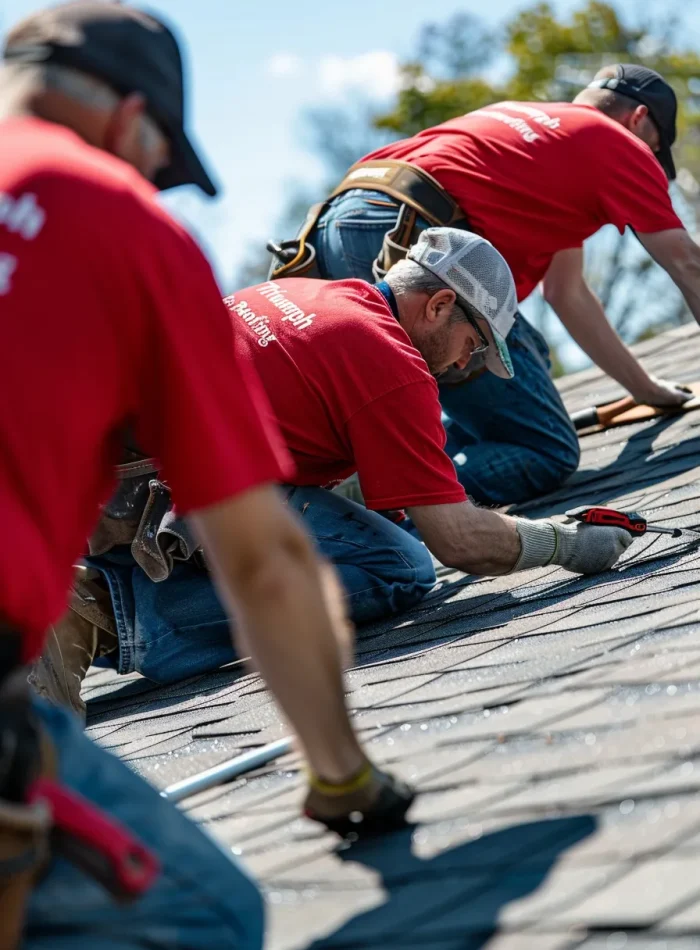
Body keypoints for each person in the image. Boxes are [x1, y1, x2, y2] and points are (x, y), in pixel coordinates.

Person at [0, 4, 411, 948]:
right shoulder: (117, 220)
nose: (152, 181)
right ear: (128, 119)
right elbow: (262, 560)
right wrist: (342, 777)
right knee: (208, 914)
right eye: (158, 161)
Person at [53, 228, 634, 700]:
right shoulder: (392, 363)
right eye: (474, 345)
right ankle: (104, 611)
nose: (464, 366)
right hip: (142, 493)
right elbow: (458, 543)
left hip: (83, 480)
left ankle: (88, 596)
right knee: (400, 568)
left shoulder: (321, 295)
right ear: (438, 305)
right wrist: (566, 544)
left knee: (381, 530)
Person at [270, 63, 700, 506]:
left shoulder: (537, 135)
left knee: (524, 357)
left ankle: (368, 483)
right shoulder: (618, 143)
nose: (650, 159)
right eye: (655, 148)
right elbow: (688, 264)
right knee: (544, 450)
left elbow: (567, 296)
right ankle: (372, 497)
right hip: (412, 234)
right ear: (639, 118)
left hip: (334, 229)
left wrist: (647, 391)